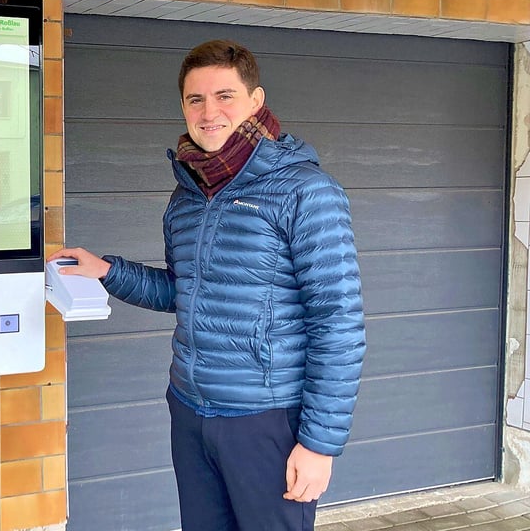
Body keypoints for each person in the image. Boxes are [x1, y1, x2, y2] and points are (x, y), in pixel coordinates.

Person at [51, 40, 365, 531]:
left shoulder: (305, 191)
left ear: (256, 101)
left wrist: (319, 443)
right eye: (195, 99)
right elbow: (181, 291)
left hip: (266, 419)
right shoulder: (188, 195)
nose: (209, 111)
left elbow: (338, 322)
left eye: (225, 96)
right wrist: (107, 271)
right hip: (190, 410)